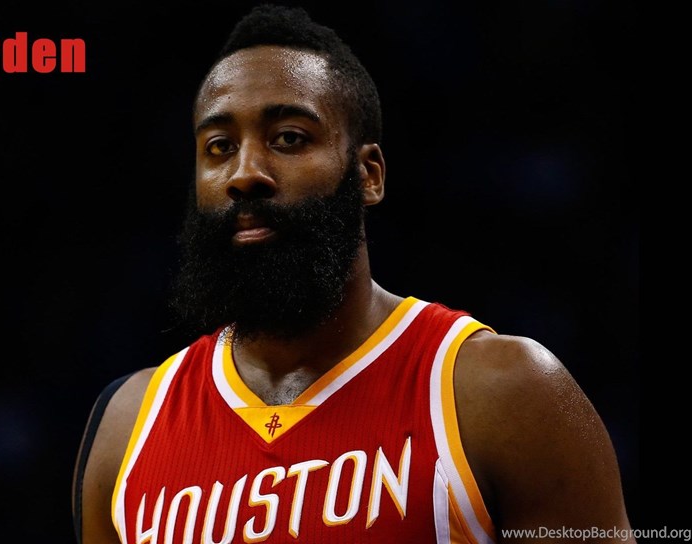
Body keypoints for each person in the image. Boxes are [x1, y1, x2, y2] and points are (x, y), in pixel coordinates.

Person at [72, 4, 633, 543]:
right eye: (219, 147)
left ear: (369, 174)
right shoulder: (127, 429)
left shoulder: (501, 394)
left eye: (289, 138)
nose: (245, 173)